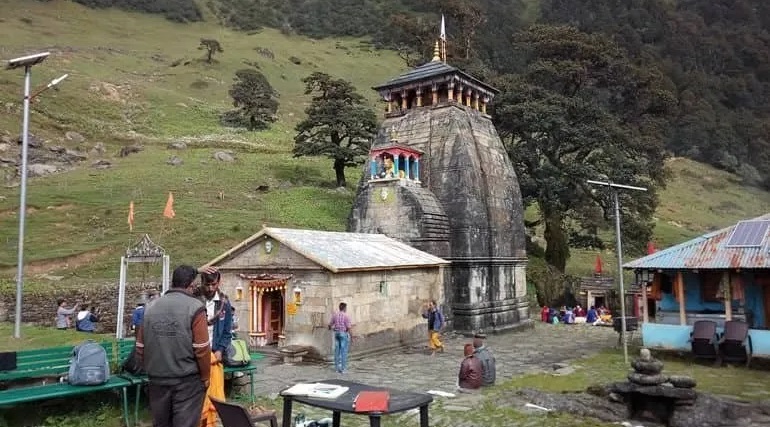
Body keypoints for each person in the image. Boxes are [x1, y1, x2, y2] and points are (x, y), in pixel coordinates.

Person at [136, 265, 212, 427]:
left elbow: (140, 347)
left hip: (157, 380)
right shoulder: (195, 308)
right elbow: (202, 349)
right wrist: (205, 377)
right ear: (191, 286)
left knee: (161, 423)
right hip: (186, 381)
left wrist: (150, 370)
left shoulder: (149, 308)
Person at [199, 270, 232, 427]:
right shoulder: (194, 300)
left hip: (215, 356)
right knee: (198, 400)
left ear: (219, 282)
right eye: (207, 284)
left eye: (214, 284)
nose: (211, 288)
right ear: (202, 283)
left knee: (213, 400)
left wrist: (220, 350)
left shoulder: (224, 303)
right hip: (197, 357)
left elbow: (227, 332)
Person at [328, 302, 352, 374]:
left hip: (336, 334)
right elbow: (348, 327)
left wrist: (333, 328)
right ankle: (343, 369)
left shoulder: (335, 315)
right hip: (343, 333)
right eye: (346, 308)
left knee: (337, 352)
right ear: (344, 308)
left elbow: (329, 325)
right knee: (343, 352)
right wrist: (349, 334)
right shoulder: (346, 316)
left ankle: (336, 369)